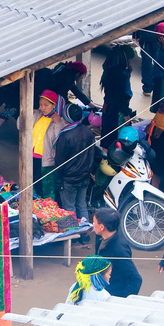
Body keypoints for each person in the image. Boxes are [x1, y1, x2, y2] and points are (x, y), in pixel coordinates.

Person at [53, 104, 95, 243]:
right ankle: (85, 236)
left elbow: (59, 161)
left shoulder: (65, 136)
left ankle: (73, 239)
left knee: (69, 208)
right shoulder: (89, 132)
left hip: (69, 178)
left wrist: (58, 181)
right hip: (84, 177)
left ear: (67, 117)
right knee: (81, 205)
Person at [93, 208, 141, 298]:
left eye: (94, 222)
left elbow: (135, 279)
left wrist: (123, 300)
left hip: (113, 293)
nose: (93, 224)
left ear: (102, 227)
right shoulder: (100, 238)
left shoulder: (119, 249)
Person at [65, 256, 112, 326]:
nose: (110, 277)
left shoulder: (75, 288)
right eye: (109, 274)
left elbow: (68, 308)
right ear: (98, 275)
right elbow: (106, 324)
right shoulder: (104, 295)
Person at [99, 46, 133, 145]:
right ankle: (111, 157)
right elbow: (122, 96)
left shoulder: (109, 71)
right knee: (116, 137)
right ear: (126, 58)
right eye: (131, 59)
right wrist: (126, 114)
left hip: (107, 107)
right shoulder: (122, 74)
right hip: (116, 111)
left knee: (107, 134)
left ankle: (105, 157)